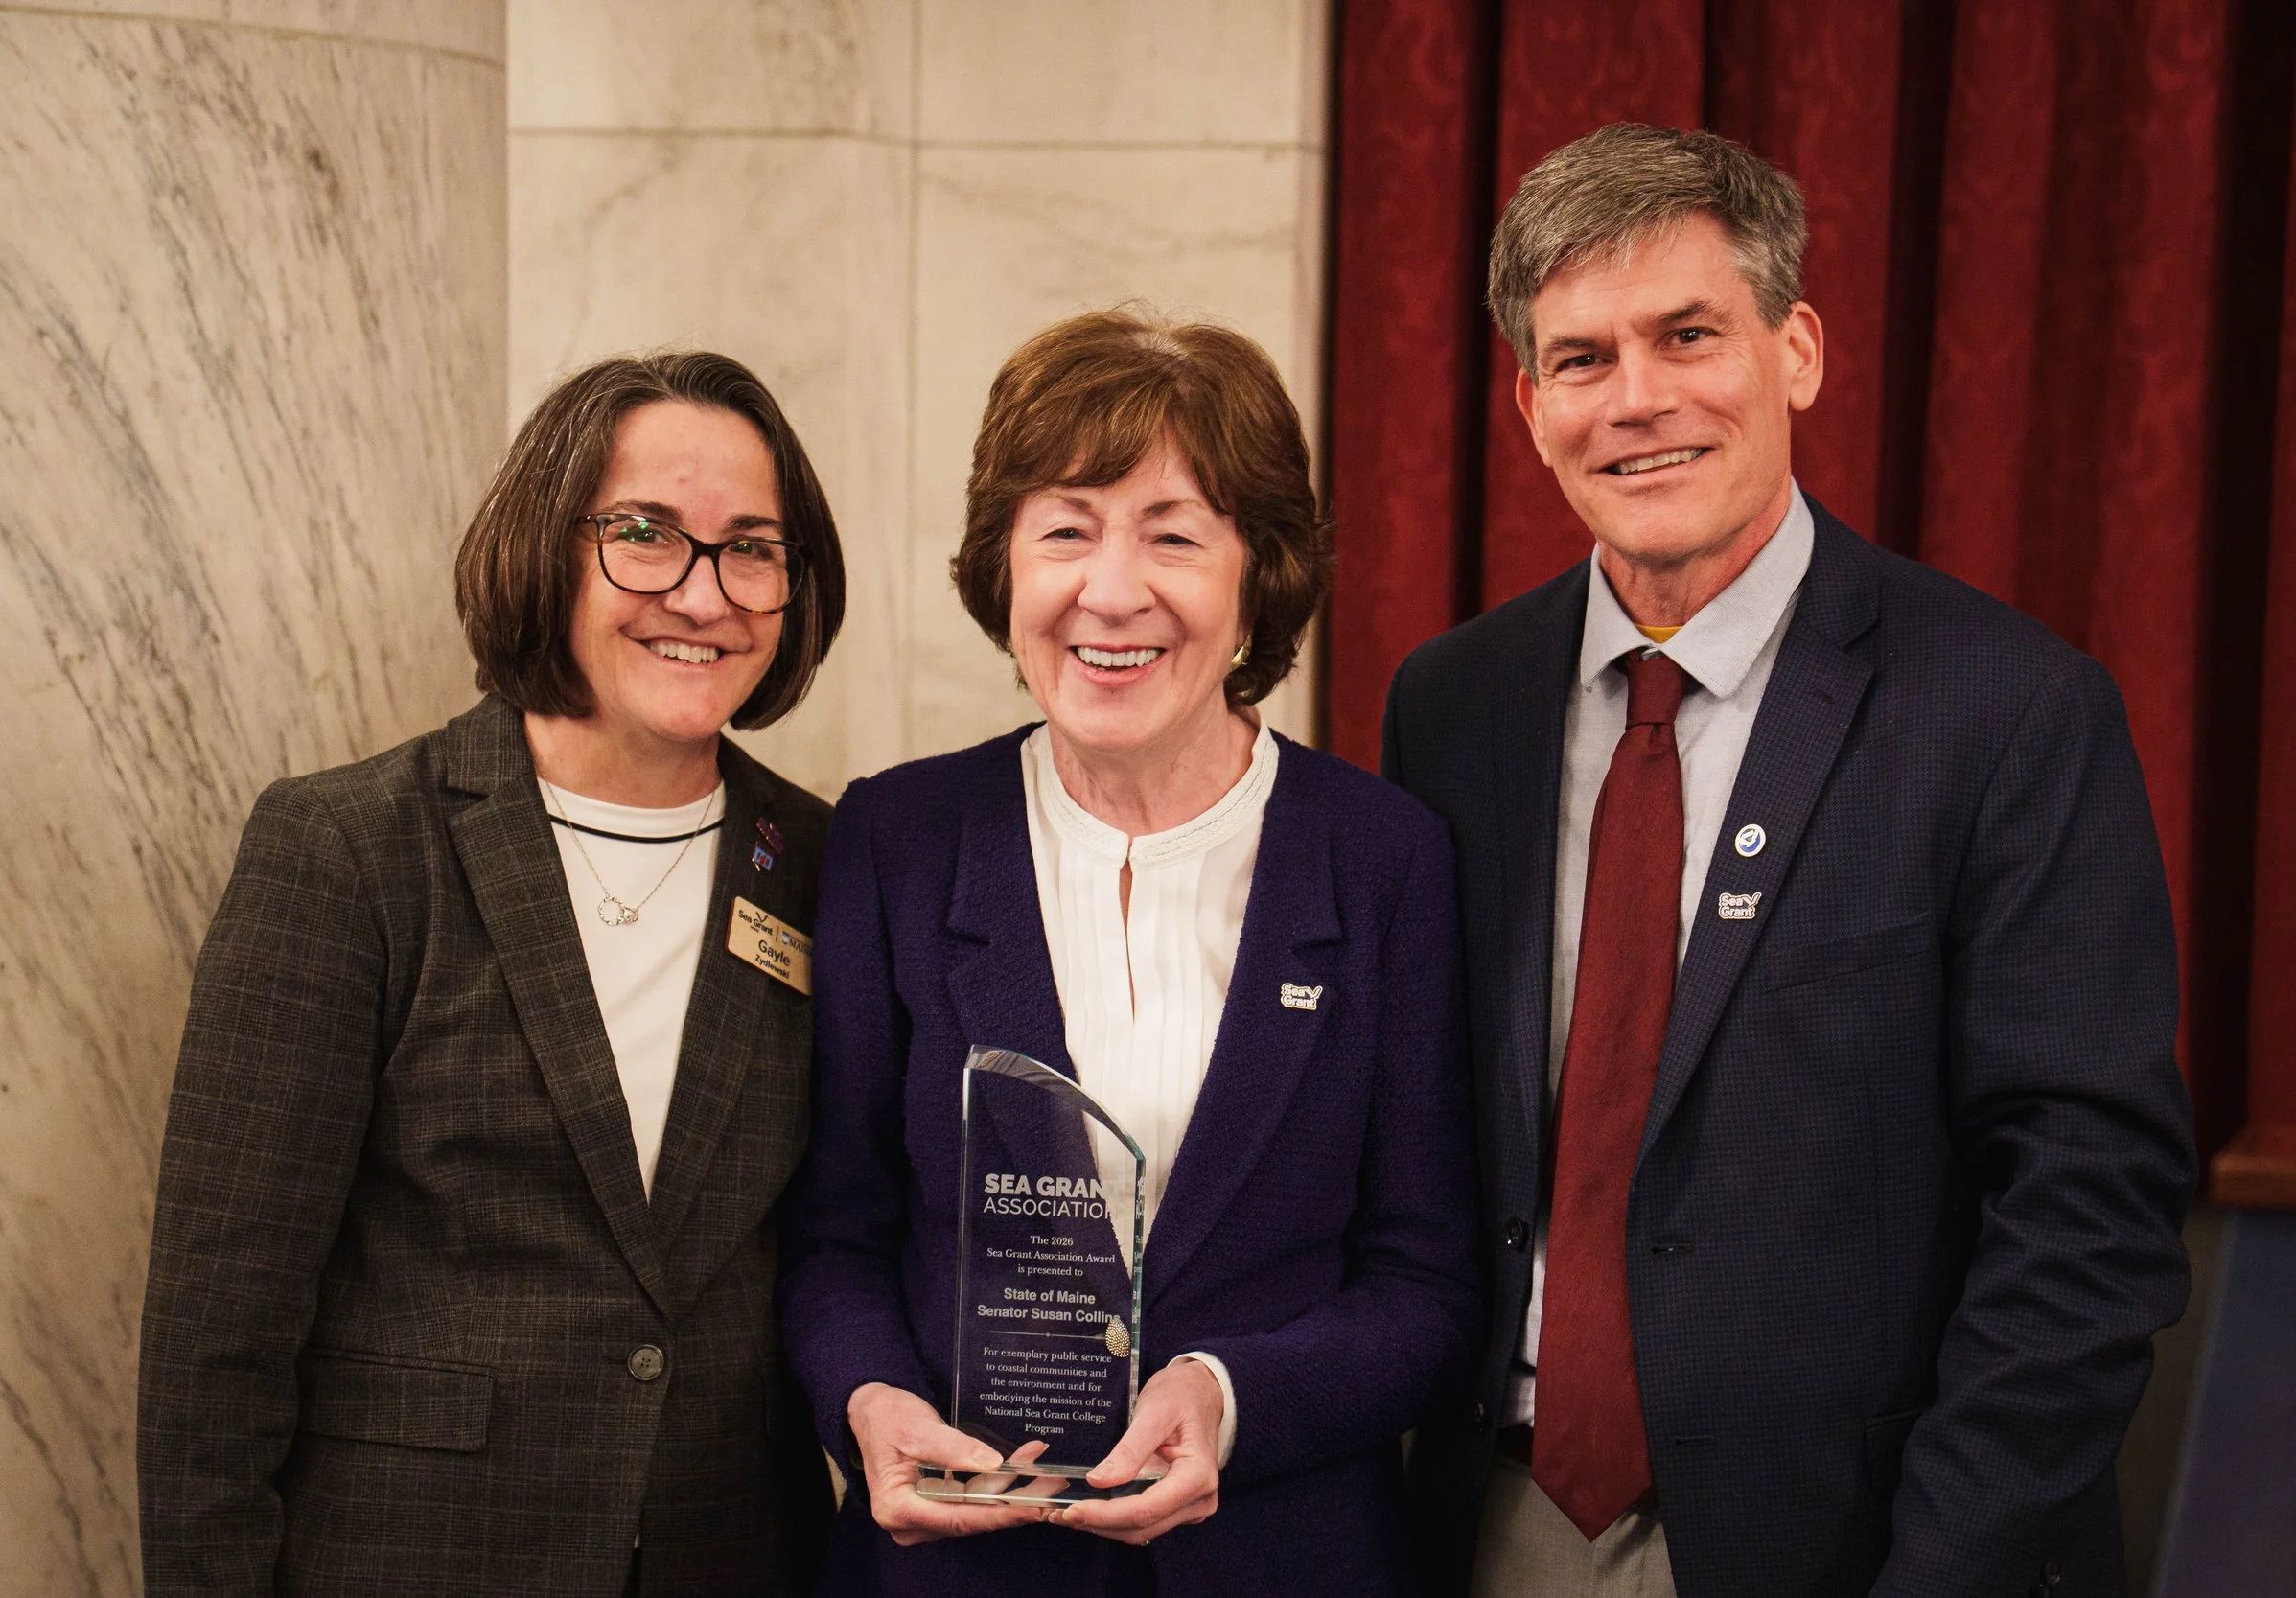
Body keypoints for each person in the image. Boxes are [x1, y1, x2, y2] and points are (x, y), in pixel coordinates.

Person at [1385, 124, 2198, 1598]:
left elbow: (2086, 1211)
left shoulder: (2010, 709)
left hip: (1869, 1540)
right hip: (1490, 1525)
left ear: (1798, 349)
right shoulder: (1448, 707)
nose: (1637, 401)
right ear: (1528, 404)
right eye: (1580, 359)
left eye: (1687, 334)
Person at [780, 307, 1483, 1596]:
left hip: (1283, 1560)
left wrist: (1231, 1395)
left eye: (1172, 534)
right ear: (1005, 566)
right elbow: (838, 1232)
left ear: (1258, 572)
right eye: (1064, 529)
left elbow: (1428, 1281)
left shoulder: (1383, 856)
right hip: (961, 1571)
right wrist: (867, 1397)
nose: (1110, 590)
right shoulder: (900, 836)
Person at [138, 352, 845, 1597]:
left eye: (751, 547)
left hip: (729, 1554)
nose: (703, 591)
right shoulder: (350, 848)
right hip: (415, 1554)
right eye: (646, 533)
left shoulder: (824, 863)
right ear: (545, 544)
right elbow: (219, 1335)